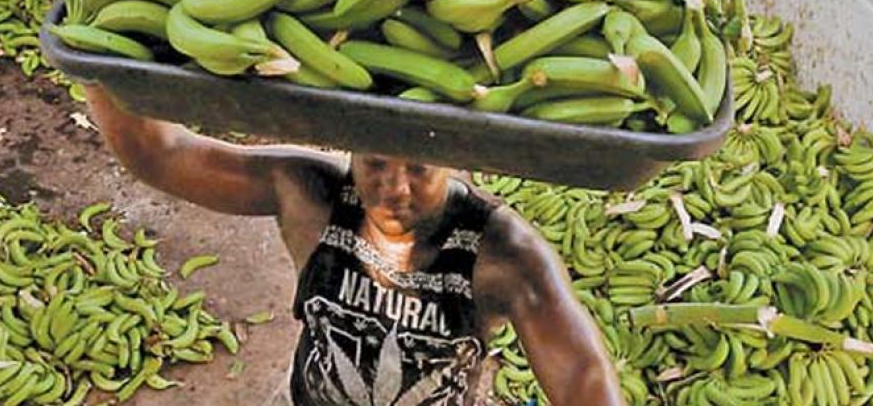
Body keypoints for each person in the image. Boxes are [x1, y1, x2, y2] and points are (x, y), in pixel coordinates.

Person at [85, 85, 625, 406]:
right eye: (375, 164)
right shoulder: (311, 195)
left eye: (418, 168)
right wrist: (93, 53)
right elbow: (161, 153)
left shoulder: (501, 254)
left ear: (456, 157)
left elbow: (583, 378)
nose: (395, 189)